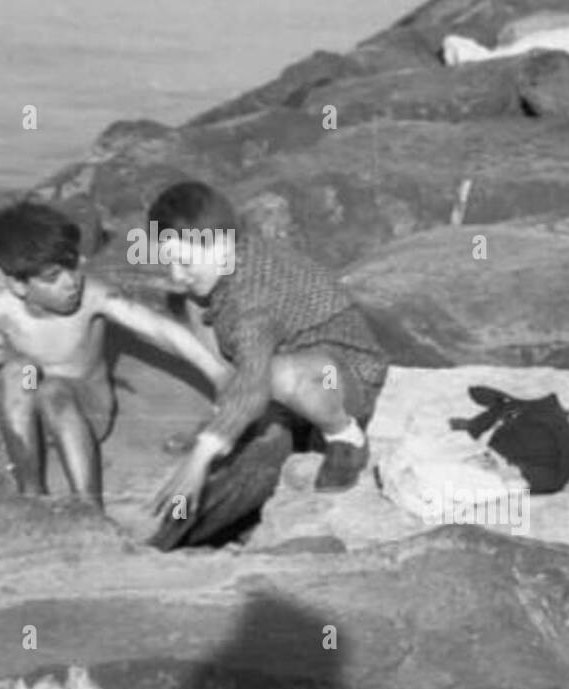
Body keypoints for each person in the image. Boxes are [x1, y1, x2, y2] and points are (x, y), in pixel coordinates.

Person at [0, 201, 231, 509]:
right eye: (52, 277)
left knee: (52, 390)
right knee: (18, 371)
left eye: (72, 266)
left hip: (85, 413)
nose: (70, 283)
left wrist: (216, 371)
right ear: (18, 284)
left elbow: (159, 329)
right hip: (33, 423)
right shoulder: (0, 311)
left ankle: (88, 505)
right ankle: (30, 493)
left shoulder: (92, 298)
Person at [145, 181, 389, 521]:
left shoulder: (253, 301)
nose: (176, 274)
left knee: (275, 375)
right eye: (169, 261)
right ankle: (229, 414)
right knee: (188, 299)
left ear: (224, 244)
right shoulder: (233, 257)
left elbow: (257, 377)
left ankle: (345, 438)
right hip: (287, 352)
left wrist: (199, 460)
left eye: (185, 263)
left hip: (344, 374)